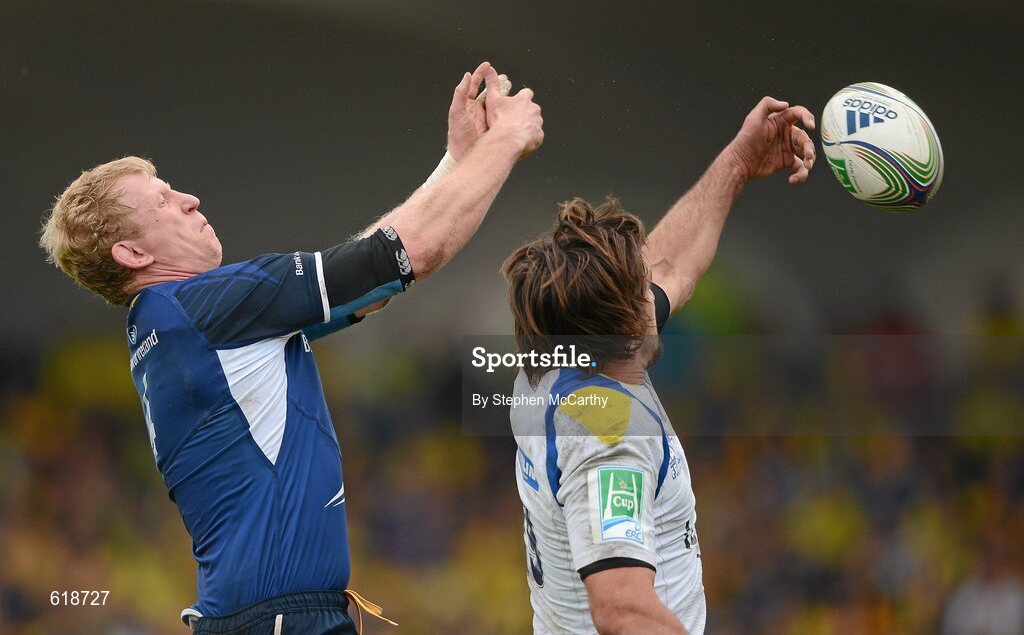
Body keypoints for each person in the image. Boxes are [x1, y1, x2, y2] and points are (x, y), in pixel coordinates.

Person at [38, 61, 542, 634]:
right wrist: (504, 141)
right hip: (281, 622)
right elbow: (410, 252)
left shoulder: (183, 328)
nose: (190, 198)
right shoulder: (201, 308)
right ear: (131, 254)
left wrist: (459, 161)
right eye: (164, 200)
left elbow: (372, 282)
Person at [502, 97, 815, 635]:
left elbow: (676, 260)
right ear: (626, 327)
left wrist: (739, 163)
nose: (657, 283)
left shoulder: (552, 367)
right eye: (641, 287)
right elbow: (622, 611)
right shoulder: (609, 436)